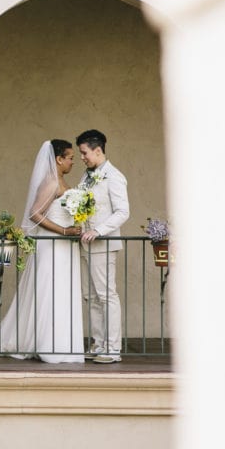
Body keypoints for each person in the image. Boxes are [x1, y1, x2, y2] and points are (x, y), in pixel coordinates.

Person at [0, 140, 85, 363]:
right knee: (49, 291)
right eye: (70, 157)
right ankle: (47, 344)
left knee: (62, 292)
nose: (72, 162)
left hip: (65, 246)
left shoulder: (63, 181)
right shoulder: (51, 183)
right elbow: (35, 214)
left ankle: (63, 343)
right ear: (58, 159)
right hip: (52, 244)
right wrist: (63, 230)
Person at [76, 129, 130, 364]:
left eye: (84, 152)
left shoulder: (114, 176)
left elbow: (123, 211)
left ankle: (112, 348)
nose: (82, 157)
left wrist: (98, 231)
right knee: (90, 296)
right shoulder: (86, 177)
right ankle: (98, 343)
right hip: (85, 244)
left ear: (98, 150)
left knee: (106, 295)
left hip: (103, 244)